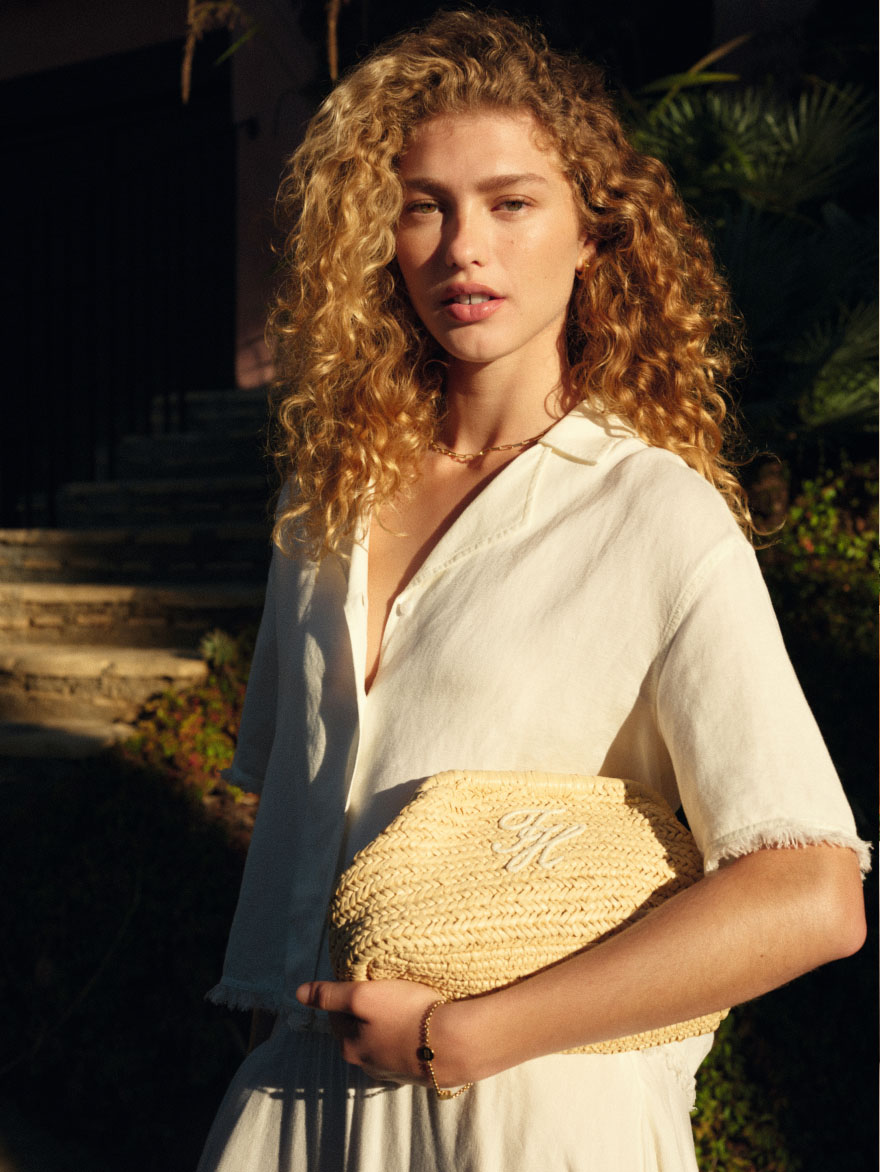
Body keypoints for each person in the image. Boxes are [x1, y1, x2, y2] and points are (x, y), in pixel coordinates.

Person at [197, 11, 869, 1171]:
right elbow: (291, 866)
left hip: (528, 1113)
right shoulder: (322, 520)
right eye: (423, 204)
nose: (465, 247)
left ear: (593, 237)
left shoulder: (651, 513)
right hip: (293, 1114)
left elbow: (811, 892)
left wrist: (470, 1031)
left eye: (511, 203)